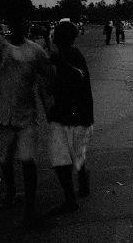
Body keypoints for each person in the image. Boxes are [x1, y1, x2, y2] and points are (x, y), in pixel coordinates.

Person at [0, 15, 51, 227]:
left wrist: (49, 107)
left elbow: (46, 76)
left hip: (25, 115)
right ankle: (11, 194)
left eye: (22, 23)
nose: (19, 27)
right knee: (4, 160)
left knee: (28, 161)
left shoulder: (35, 51)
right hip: (0, 114)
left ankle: (30, 208)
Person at [47, 21, 94, 214]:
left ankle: (70, 199)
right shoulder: (68, 55)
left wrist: (60, 62)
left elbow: (78, 77)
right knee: (73, 156)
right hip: (76, 115)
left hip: (72, 114)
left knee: (62, 159)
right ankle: (81, 182)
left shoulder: (70, 55)